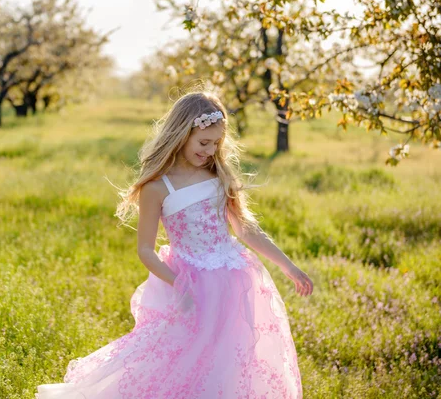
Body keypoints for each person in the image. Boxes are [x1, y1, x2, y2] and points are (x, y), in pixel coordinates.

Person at [35, 90, 313, 398]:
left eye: (216, 144)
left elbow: (245, 229)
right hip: (189, 281)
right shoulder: (157, 187)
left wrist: (289, 266)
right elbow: (145, 250)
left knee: (233, 358)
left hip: (234, 279)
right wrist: (180, 283)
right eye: (203, 143)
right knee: (180, 357)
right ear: (182, 134)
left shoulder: (219, 175)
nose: (209, 151)